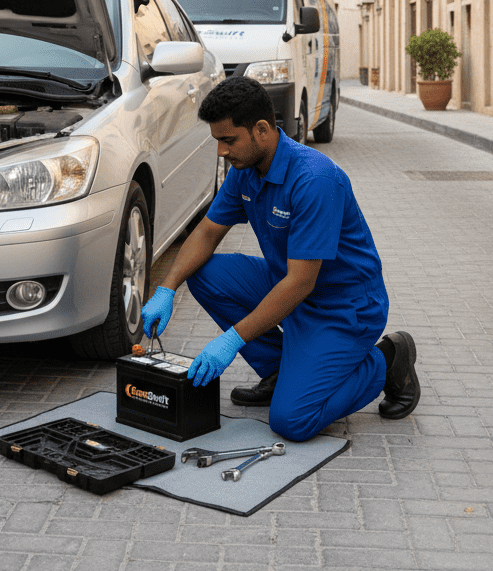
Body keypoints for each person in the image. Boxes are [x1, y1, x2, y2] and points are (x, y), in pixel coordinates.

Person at [140, 76, 419, 442]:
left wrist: (232, 340)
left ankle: (386, 361)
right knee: (205, 274)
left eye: (228, 140)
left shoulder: (315, 180)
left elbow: (302, 282)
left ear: (261, 130)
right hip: (289, 286)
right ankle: (281, 371)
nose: (221, 152)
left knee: (292, 420)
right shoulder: (246, 169)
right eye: (217, 141)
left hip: (343, 308)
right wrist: (166, 289)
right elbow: (207, 232)